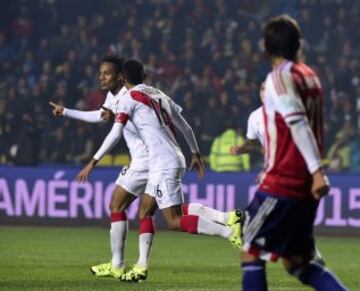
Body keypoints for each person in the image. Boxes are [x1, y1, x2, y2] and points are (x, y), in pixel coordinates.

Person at [50, 55, 243, 283]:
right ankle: (141, 265)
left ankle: (118, 265)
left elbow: (115, 131)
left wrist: (93, 161)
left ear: (121, 77)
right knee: (150, 211)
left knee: (129, 208)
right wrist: (67, 112)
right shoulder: (154, 94)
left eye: (107, 73)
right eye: (101, 72)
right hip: (167, 156)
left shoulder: (127, 98)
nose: (102, 77)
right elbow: (183, 126)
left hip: (148, 160)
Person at [239, 15, 347, 291]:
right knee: (297, 262)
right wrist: (314, 173)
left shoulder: (279, 78)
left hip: (284, 181)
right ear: (298, 43)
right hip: (304, 187)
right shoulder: (310, 76)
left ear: (266, 47)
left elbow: (297, 122)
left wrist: (317, 171)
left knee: (250, 250)